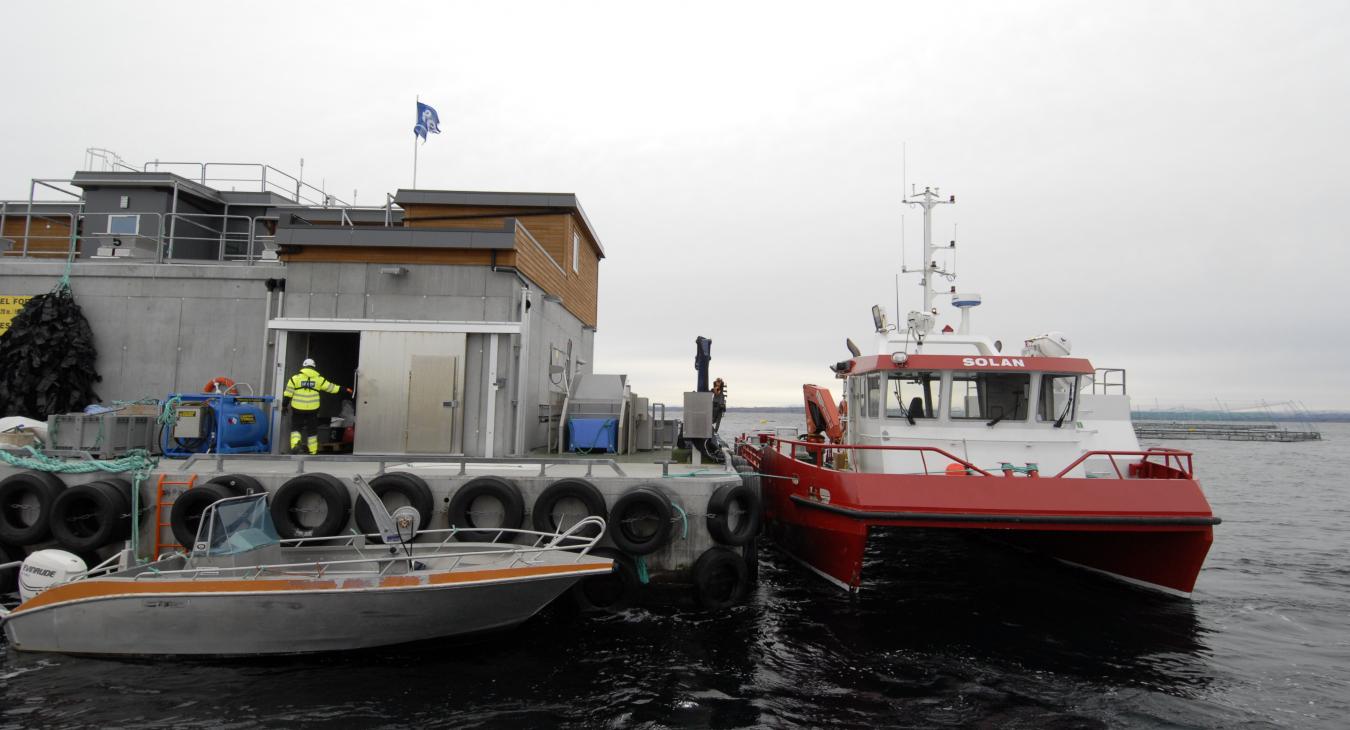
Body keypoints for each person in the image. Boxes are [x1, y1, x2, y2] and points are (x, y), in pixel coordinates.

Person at [282, 357, 350, 455]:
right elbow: (332, 388)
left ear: (303, 366)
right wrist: (345, 389)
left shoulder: (295, 379)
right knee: (312, 430)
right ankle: (313, 450)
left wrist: (284, 405)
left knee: (296, 427)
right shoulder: (319, 379)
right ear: (314, 367)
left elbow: (288, 393)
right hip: (312, 409)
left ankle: (295, 444)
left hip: (297, 408)